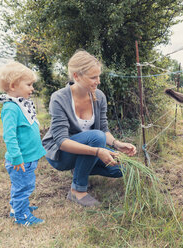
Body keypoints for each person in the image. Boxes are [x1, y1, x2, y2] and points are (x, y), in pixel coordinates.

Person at [42, 50, 137, 207]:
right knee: (97, 138)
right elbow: (61, 141)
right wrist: (98, 152)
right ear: (76, 76)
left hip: (88, 148)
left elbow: (104, 129)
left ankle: (81, 169)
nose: (98, 81)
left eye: (98, 76)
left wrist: (118, 144)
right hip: (61, 155)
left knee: (122, 170)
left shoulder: (99, 96)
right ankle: (77, 190)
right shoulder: (59, 98)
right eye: (93, 77)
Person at [0, 61, 46, 226]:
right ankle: (22, 216)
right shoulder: (11, 108)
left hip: (29, 157)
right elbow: (9, 136)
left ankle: (17, 207)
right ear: (14, 85)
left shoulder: (22, 105)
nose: (32, 88)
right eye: (29, 84)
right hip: (21, 159)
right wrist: (16, 157)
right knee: (24, 187)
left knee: (21, 185)